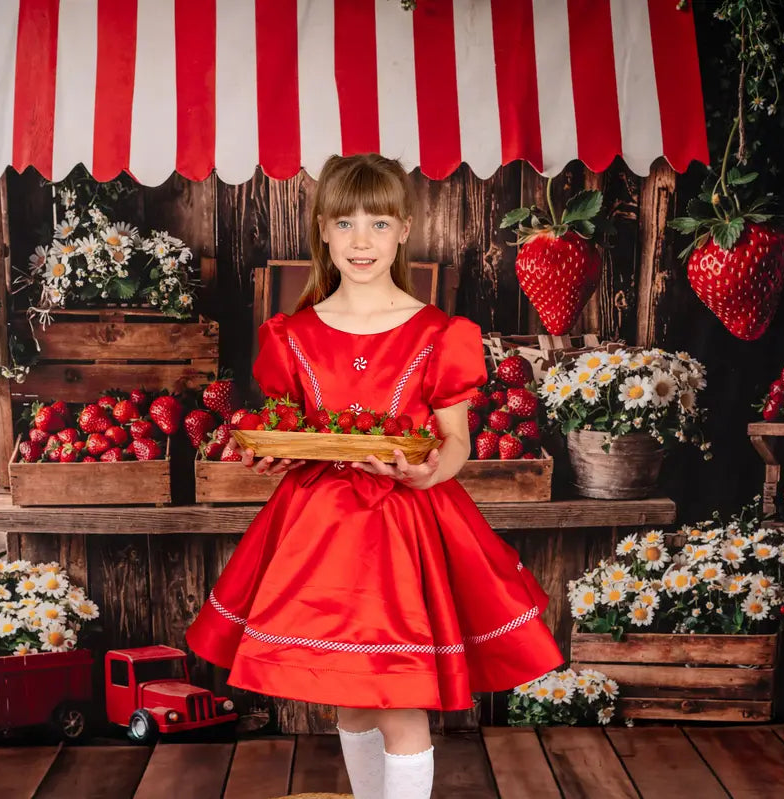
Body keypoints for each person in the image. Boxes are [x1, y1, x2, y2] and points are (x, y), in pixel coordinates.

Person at [185, 153, 562, 799]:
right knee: (353, 697)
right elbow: (292, 429)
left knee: (402, 695)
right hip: (318, 532)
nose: (363, 240)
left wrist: (424, 474)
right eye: (347, 223)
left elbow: (455, 442)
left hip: (404, 531)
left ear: (406, 228)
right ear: (324, 231)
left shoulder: (442, 333)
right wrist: (278, 454)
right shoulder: (291, 333)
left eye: (380, 223)